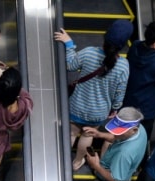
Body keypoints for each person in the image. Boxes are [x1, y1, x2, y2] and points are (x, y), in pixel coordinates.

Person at [55, 20, 134, 169]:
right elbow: (119, 92)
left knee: (71, 133)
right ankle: (77, 162)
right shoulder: (123, 66)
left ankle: (61, 160)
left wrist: (69, 44)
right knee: (87, 136)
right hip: (98, 112)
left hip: (76, 105)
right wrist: (114, 109)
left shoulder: (89, 52)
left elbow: (70, 64)